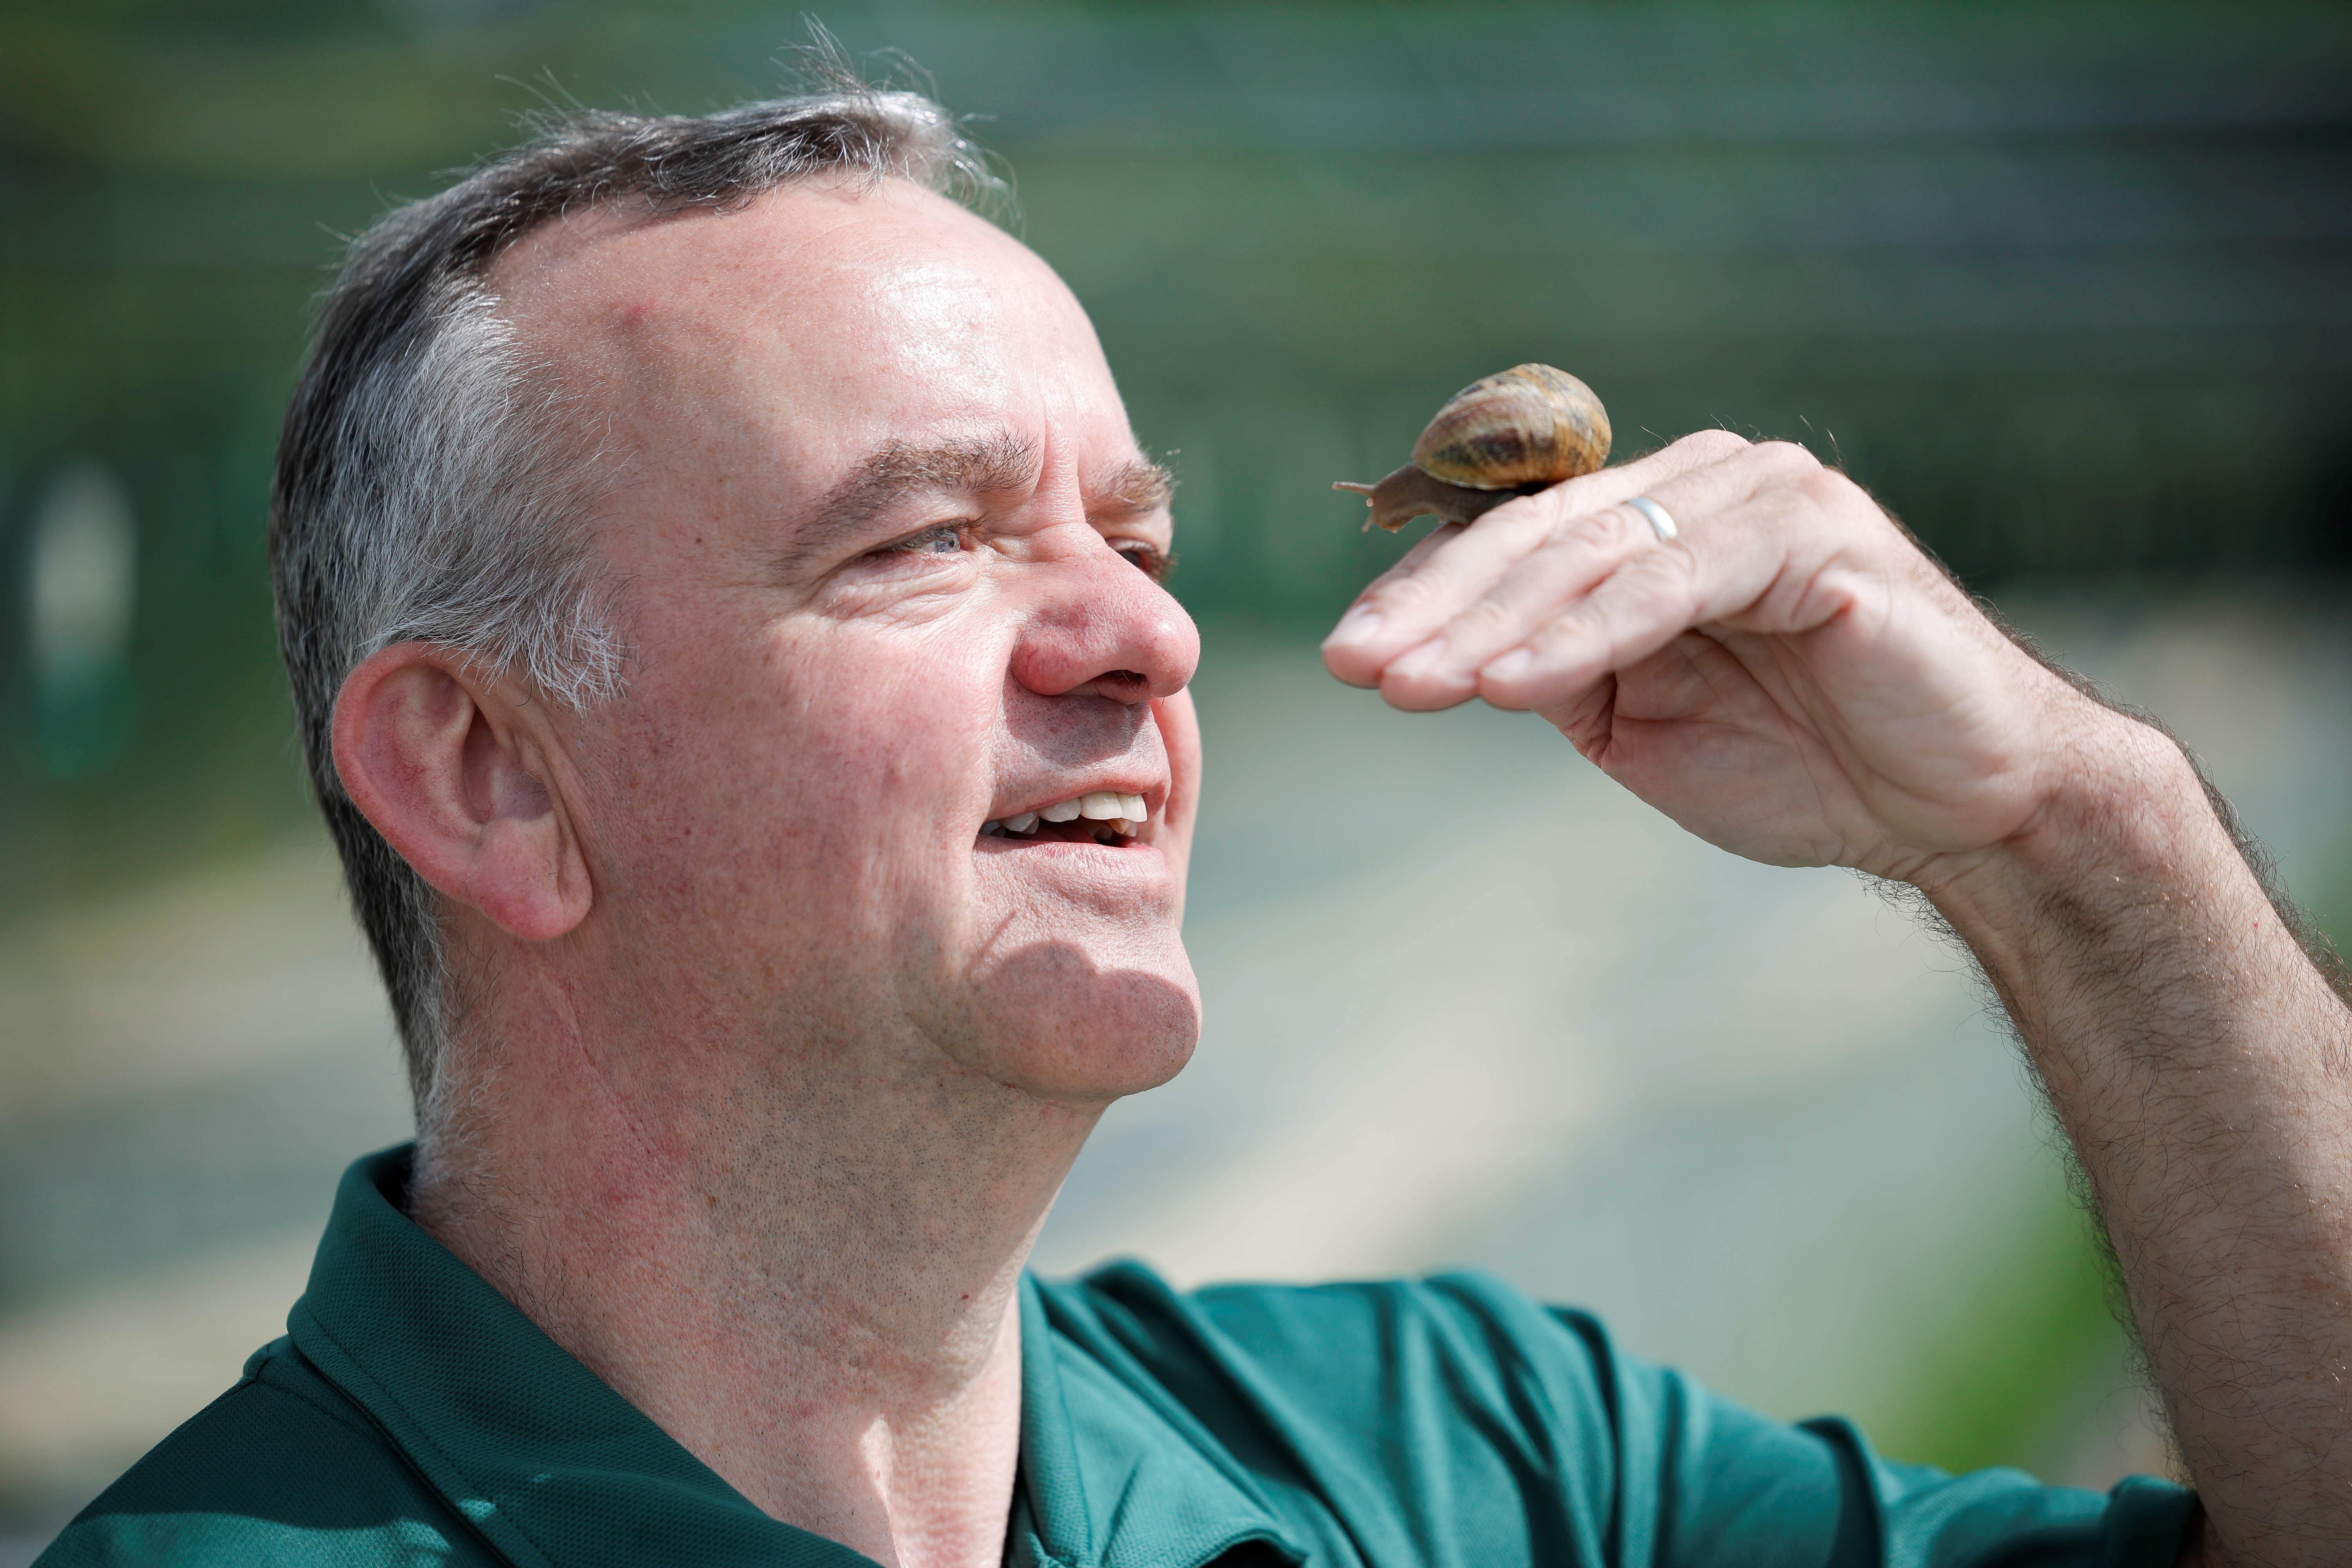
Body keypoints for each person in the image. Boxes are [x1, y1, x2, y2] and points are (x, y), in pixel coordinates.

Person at [38, 74, 2351, 1568]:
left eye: (1132, 539)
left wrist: (2081, 834)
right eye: (922, 542)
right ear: (488, 775)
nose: (1143, 639)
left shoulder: (1472, 1460)